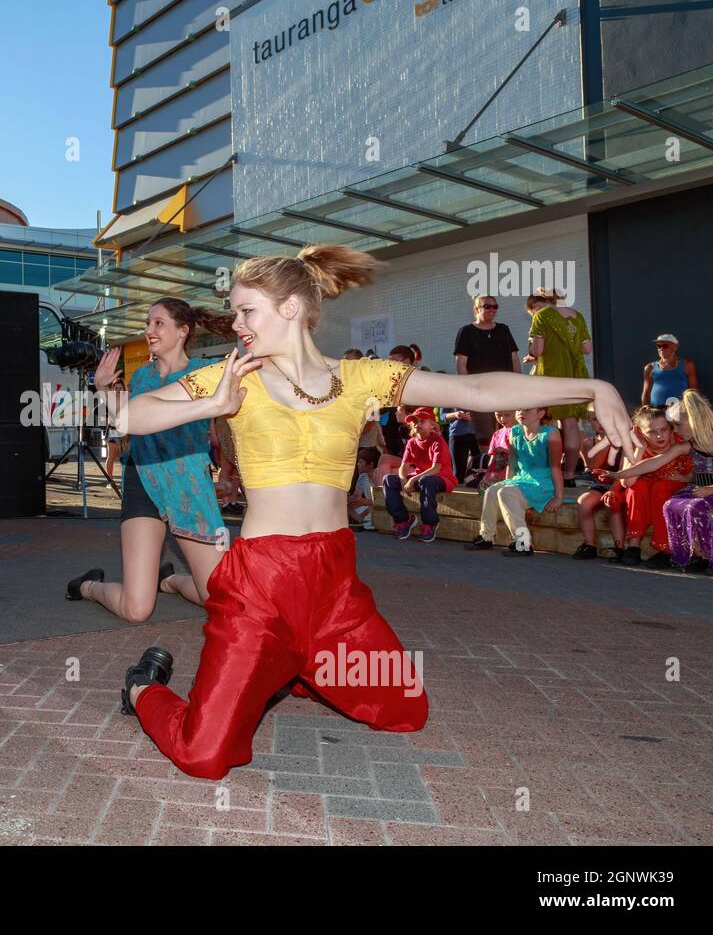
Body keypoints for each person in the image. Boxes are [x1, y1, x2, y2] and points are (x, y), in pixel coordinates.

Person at [114, 244, 629, 781]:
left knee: (408, 710)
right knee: (204, 756)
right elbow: (129, 415)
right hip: (259, 589)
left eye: (247, 311)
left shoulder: (361, 379)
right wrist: (211, 406)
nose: (237, 323)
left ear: (291, 307)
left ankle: (290, 667)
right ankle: (144, 688)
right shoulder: (232, 378)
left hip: (333, 587)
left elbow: (474, 388)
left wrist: (593, 386)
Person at [65, 299, 231, 622]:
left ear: (183, 331)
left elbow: (223, 427)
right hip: (143, 479)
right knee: (137, 609)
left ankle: (167, 579)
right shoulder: (141, 378)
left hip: (188, 486)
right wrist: (101, 388)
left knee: (219, 599)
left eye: (159, 324)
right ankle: (87, 586)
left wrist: (229, 474)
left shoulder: (205, 373)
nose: (149, 331)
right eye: (148, 323)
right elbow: (128, 419)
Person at [616, 391, 713, 572]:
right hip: (698, 489)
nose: (672, 431)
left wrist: (704, 486)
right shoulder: (685, 444)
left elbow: (698, 472)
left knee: (676, 496)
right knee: (652, 496)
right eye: (653, 431)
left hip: (712, 490)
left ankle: (704, 558)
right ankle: (642, 548)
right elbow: (637, 474)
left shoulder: (701, 439)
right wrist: (617, 474)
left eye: (670, 427)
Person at [465, 406, 563, 556]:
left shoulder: (551, 434)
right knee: (492, 490)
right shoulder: (515, 431)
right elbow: (512, 462)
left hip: (542, 484)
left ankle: (523, 543)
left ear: (540, 413)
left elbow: (556, 468)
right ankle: (486, 536)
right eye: (519, 410)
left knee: (506, 493)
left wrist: (558, 497)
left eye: (527, 410)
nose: (521, 413)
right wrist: (506, 482)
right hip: (521, 480)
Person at [608, 406, 693, 567]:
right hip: (648, 488)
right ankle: (634, 547)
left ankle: (666, 549)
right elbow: (627, 482)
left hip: (673, 487)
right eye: (652, 432)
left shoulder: (680, 442)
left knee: (660, 488)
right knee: (635, 489)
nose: (660, 435)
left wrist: (685, 477)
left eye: (664, 429)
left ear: (671, 428)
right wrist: (640, 449)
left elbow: (697, 471)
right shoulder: (635, 446)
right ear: (640, 432)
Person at [522, 287, 591, 486]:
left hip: (551, 375)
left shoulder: (541, 316)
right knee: (570, 424)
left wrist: (533, 355)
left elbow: (538, 349)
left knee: (543, 422)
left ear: (537, 304)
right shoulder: (577, 316)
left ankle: (547, 473)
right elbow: (587, 349)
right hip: (576, 376)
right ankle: (569, 474)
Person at [453, 293, 520, 451]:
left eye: (495, 306)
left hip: (505, 388)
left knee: (510, 426)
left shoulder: (503, 329)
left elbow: (514, 357)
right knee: (485, 433)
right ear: (476, 309)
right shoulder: (466, 332)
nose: (492, 309)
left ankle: (510, 464)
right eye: (487, 306)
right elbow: (461, 362)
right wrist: (466, 387)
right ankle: (489, 467)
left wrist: (519, 382)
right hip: (480, 390)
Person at [383, 407, 458, 542]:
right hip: (421, 478)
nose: (417, 424)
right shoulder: (412, 442)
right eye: (415, 421)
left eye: (422, 421)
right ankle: (404, 520)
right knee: (388, 479)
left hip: (442, 478)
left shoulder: (438, 441)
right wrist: (403, 481)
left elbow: (436, 468)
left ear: (432, 425)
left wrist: (412, 481)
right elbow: (404, 467)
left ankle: (430, 523)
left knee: (426, 480)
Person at [573, 411, 627, 560]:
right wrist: (606, 444)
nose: (601, 423)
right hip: (599, 485)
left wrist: (613, 490)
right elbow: (594, 468)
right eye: (596, 420)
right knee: (584, 503)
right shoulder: (589, 443)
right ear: (590, 423)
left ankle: (619, 548)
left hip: (620, 484)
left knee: (612, 504)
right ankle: (589, 545)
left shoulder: (626, 441)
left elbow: (624, 471)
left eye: (606, 418)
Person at [641, 334, 698, 407]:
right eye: (659, 346)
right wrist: (644, 410)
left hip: (681, 412)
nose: (661, 349)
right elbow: (646, 393)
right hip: (657, 413)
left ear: (675, 346)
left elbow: (694, 391)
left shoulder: (687, 365)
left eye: (665, 346)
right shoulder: (649, 368)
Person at [441, 406, 480, 484]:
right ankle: (459, 491)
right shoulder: (447, 396)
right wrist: (455, 414)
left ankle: (471, 485)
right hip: (457, 435)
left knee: (479, 467)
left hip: (477, 434)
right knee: (459, 472)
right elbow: (442, 416)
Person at [104, 376, 128, 489]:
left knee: (125, 457)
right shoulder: (110, 400)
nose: (118, 390)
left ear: (124, 389)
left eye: (120, 388)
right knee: (111, 456)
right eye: (116, 388)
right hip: (113, 430)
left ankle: (123, 482)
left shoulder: (127, 399)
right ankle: (110, 481)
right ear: (113, 389)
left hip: (125, 431)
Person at [348, 446, 380, 531]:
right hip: (366, 508)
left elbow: (382, 501)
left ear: (371, 464)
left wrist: (365, 501)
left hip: (377, 508)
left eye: (360, 462)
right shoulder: (362, 476)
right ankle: (363, 521)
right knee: (344, 506)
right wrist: (348, 500)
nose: (357, 464)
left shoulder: (378, 476)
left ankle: (364, 522)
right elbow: (356, 495)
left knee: (371, 508)